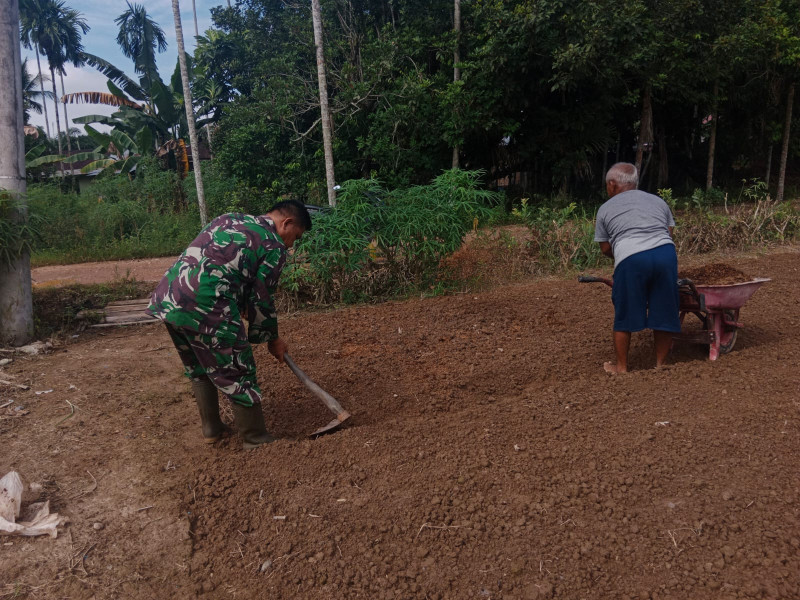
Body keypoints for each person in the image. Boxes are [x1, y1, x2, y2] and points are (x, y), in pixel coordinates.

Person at [146, 200, 312, 448]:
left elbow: (222, 263)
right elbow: (263, 300)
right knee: (239, 366)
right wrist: (272, 339)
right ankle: (255, 438)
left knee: (198, 365)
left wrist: (242, 301)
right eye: (295, 237)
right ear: (286, 223)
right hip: (207, 304)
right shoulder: (273, 244)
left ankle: (212, 429)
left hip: (171, 297)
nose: (291, 246)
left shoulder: (230, 218)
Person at [594, 163, 680, 373]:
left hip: (631, 259)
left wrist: (626, 253)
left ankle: (621, 367)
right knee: (665, 309)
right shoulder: (658, 201)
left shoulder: (605, 209)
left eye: (607, 185)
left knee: (624, 312)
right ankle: (661, 364)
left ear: (612, 184)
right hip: (665, 254)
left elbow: (605, 248)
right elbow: (668, 233)